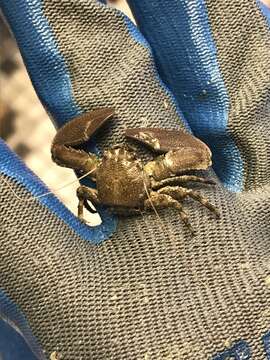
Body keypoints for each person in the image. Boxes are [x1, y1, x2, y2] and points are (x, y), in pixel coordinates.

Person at [0, 0, 269, 359]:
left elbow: (65, 156)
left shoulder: (95, 169)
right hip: (147, 196)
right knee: (189, 191)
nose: (118, 153)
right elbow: (196, 164)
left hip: (111, 197)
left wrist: (92, 197)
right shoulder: (155, 179)